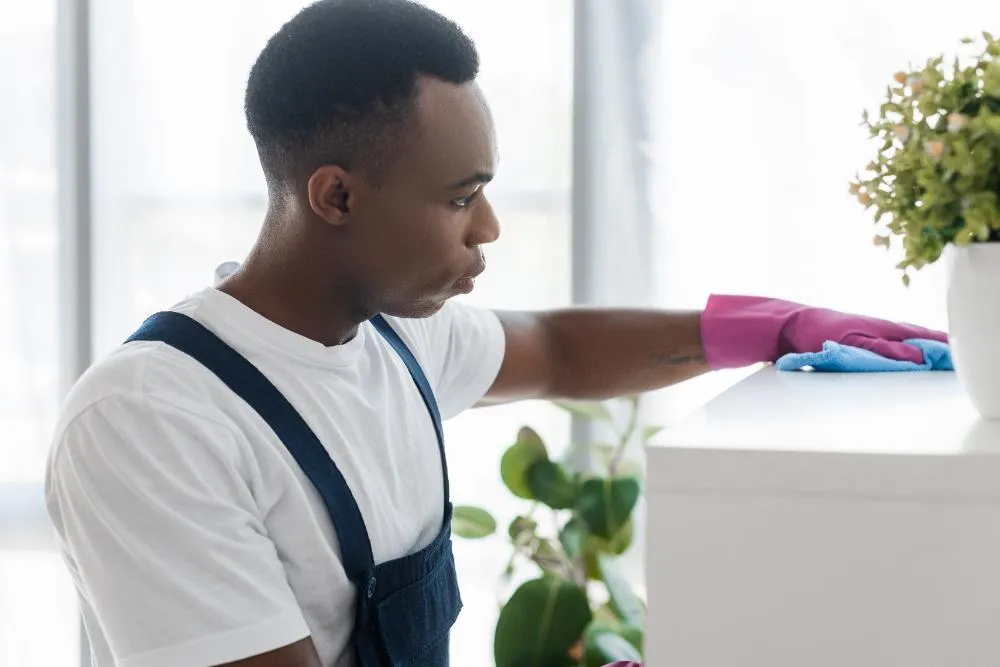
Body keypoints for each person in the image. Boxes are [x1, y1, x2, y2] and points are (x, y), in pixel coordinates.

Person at [43, 1, 947, 666]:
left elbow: (559, 348)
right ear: (337, 196)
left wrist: (769, 327)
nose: (489, 230)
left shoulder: (393, 339)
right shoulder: (152, 420)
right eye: (460, 197)